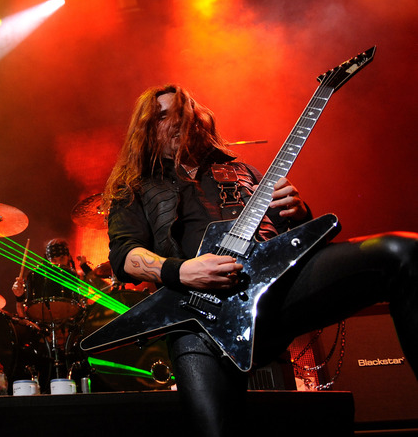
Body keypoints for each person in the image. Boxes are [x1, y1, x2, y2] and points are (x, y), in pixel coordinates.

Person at [103, 84, 418, 436]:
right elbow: (125, 255)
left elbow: (288, 241)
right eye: (163, 116)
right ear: (145, 128)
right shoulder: (133, 187)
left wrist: (299, 214)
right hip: (200, 319)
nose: (175, 121)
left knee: (401, 252)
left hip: (277, 293)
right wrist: (183, 270)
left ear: (198, 118)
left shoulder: (244, 172)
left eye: (182, 111)